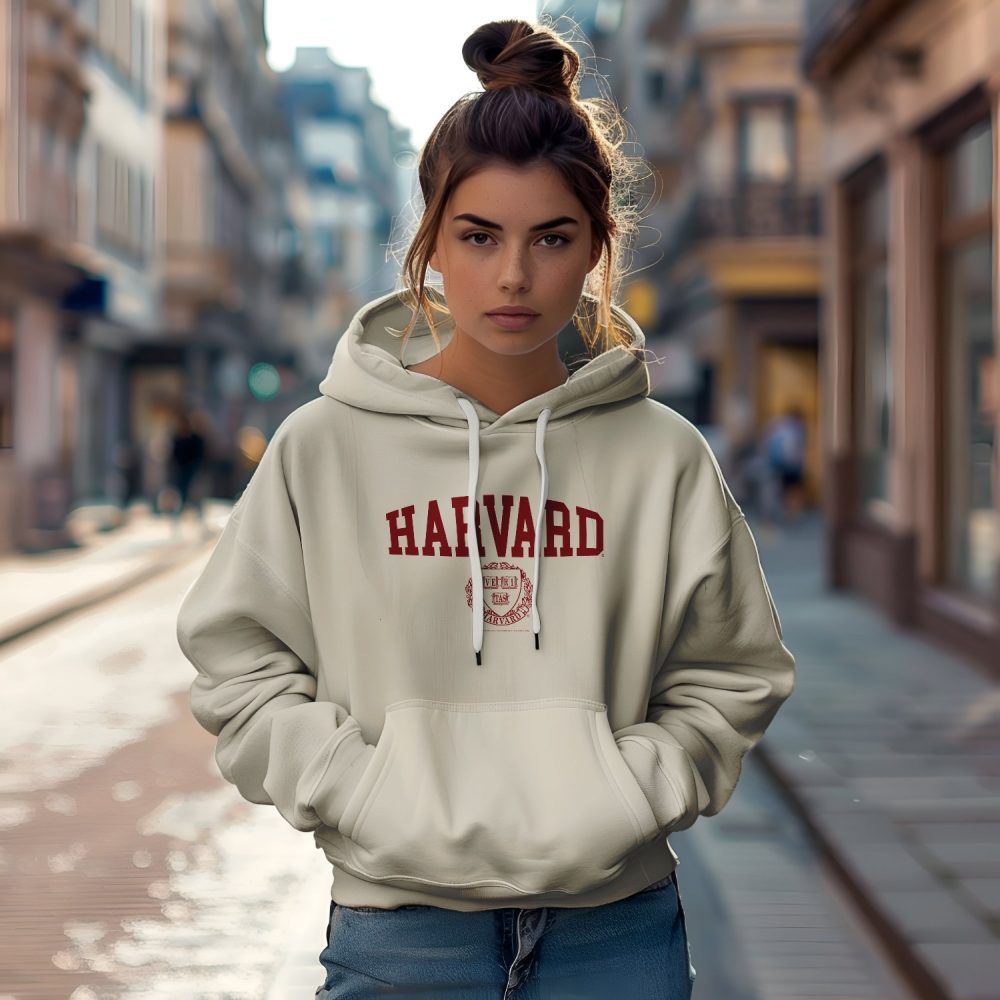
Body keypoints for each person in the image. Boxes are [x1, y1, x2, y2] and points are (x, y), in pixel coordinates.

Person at [175, 19, 796, 999]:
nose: (513, 276)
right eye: (479, 236)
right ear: (431, 238)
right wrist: (355, 785)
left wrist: (633, 788)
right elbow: (235, 657)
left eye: (552, 239)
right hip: (398, 930)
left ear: (598, 247)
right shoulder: (325, 446)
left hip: (616, 933)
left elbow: (735, 669)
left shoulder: (662, 457)